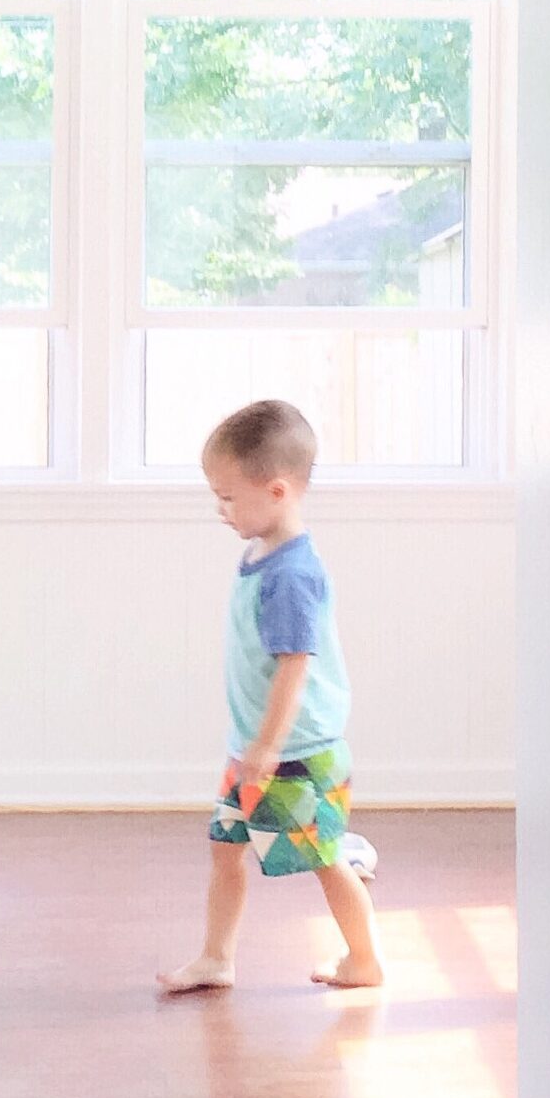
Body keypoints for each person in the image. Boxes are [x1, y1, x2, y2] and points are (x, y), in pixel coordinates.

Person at [156, 399, 383, 994]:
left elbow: (294, 668)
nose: (220, 509)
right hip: (253, 750)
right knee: (225, 848)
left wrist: (267, 743)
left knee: (322, 859)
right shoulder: (260, 554)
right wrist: (251, 746)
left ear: (278, 491)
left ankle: (364, 959)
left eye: (229, 496)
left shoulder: (292, 576)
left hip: (292, 754)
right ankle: (216, 957)